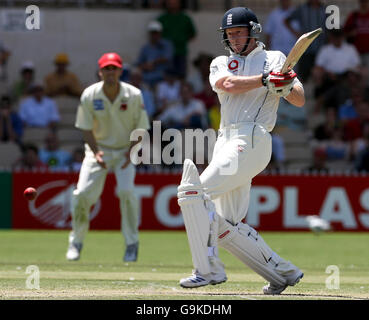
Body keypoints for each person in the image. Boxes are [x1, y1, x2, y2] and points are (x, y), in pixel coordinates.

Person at [177, 7, 305, 295]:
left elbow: (300, 99)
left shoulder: (275, 59)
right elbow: (227, 85)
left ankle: (207, 271)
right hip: (226, 139)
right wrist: (264, 81)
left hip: (253, 137)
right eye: (229, 34)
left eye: (239, 32)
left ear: (253, 31)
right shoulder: (220, 62)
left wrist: (283, 86)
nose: (234, 39)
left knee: (193, 192)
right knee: (226, 226)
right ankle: (282, 272)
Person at [66, 52, 150, 263]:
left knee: (127, 193)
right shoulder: (89, 95)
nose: (110, 73)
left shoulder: (134, 95)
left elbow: (141, 128)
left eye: (114, 68)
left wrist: (132, 151)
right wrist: (96, 152)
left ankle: (132, 244)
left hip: (124, 150)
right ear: (100, 71)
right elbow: (85, 128)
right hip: (98, 149)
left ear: (121, 71)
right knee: (82, 194)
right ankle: (76, 242)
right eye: (107, 69)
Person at [284, 0, 327, 82]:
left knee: (320, 77)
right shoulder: (302, 9)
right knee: (303, 76)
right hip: (305, 48)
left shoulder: (325, 9)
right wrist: (296, 33)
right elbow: (287, 21)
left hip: (321, 48)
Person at [158, 0, 197, 78]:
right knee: (167, 76)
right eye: (170, 1)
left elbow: (192, 34)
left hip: (181, 52)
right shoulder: (161, 19)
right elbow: (157, 36)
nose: (172, 3)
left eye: (175, 1)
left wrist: (181, 40)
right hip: (166, 55)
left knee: (181, 76)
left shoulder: (185, 18)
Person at [136, 21, 174, 88]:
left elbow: (167, 58)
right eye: (153, 33)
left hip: (163, 78)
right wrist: (146, 66)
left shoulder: (166, 45)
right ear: (149, 34)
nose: (155, 35)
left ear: (160, 33)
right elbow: (139, 64)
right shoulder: (146, 48)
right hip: (147, 78)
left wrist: (153, 63)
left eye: (156, 33)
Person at [344, 0, 369, 67]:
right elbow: (343, 33)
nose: (364, 4)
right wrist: (350, 34)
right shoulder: (353, 16)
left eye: (365, 1)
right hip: (355, 52)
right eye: (362, 1)